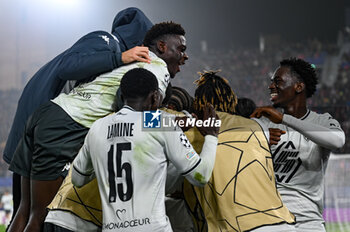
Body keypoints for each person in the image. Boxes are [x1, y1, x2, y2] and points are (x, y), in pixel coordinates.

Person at [9, 21, 189, 232]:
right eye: (181, 49)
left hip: (48, 112)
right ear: (162, 47)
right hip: (66, 125)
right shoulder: (156, 71)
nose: (185, 56)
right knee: (39, 216)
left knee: (25, 209)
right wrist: (184, 121)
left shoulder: (134, 62)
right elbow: (138, 121)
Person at [4, 7, 152, 219]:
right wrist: (120, 57)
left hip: (39, 122)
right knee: (40, 215)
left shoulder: (112, 52)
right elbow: (68, 67)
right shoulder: (106, 41)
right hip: (47, 127)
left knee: (26, 211)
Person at [71, 68, 219, 232]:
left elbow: (78, 180)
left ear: (122, 96)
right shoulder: (158, 122)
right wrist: (212, 137)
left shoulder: (98, 127)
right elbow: (200, 175)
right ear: (155, 97)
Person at [183, 71, 296, 232]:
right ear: (232, 101)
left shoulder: (191, 131)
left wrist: (185, 118)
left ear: (198, 104)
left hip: (238, 226)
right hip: (282, 222)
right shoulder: (256, 126)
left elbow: (148, 121)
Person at [251, 57, 345, 232]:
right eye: (271, 82)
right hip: (270, 218)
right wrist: (257, 140)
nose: (271, 86)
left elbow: (338, 140)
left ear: (298, 87)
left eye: (277, 81)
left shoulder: (322, 121)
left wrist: (285, 120)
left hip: (308, 221)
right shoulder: (263, 124)